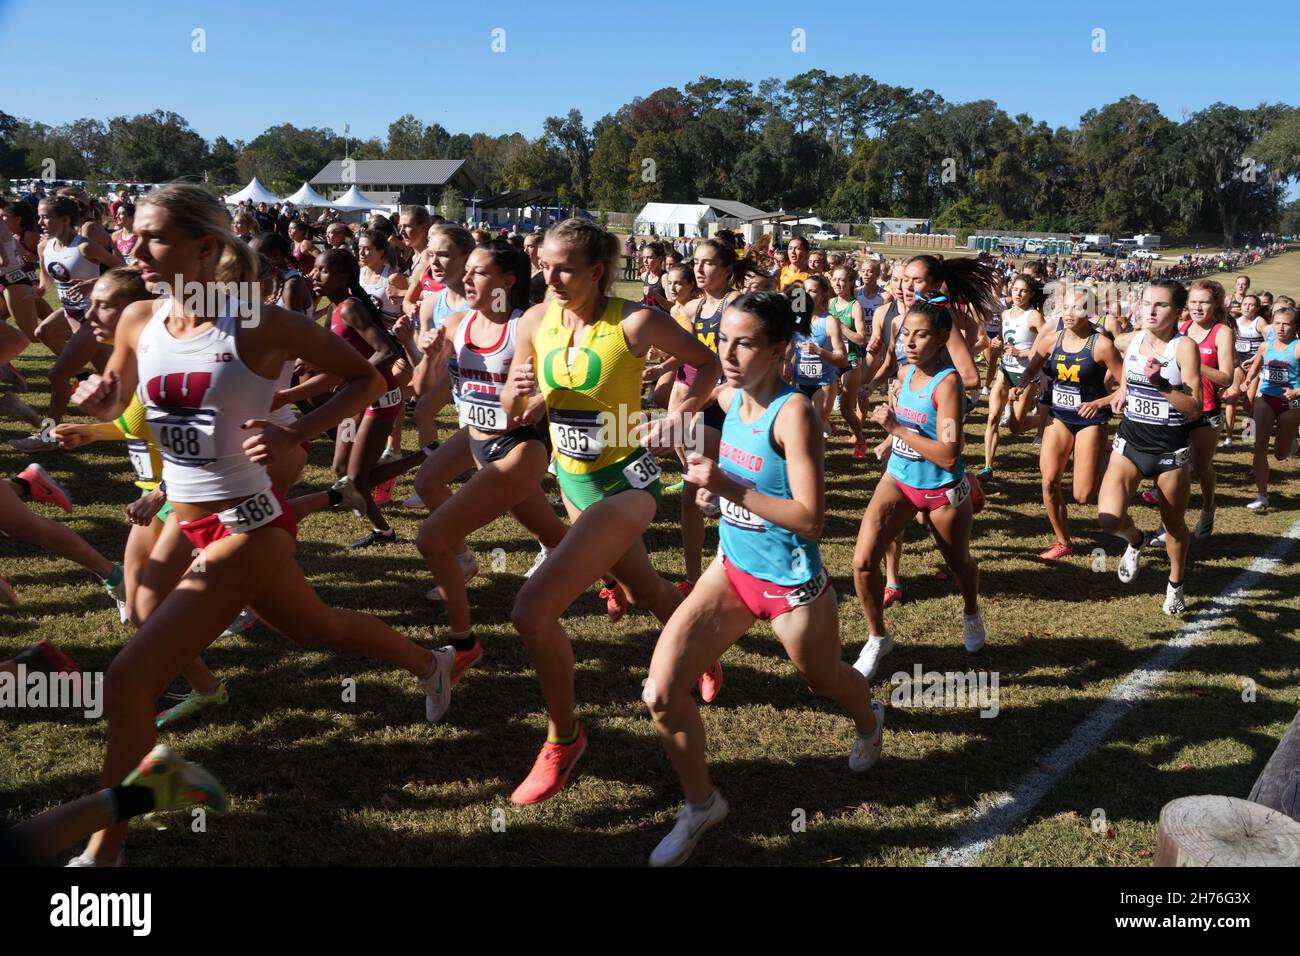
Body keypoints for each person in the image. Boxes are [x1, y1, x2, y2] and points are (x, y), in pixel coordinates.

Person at [65, 182, 454, 867]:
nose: (134, 246)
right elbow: (123, 398)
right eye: (134, 230)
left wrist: (294, 431)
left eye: (154, 235)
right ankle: (431, 663)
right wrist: (99, 399)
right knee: (316, 628)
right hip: (182, 519)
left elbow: (369, 376)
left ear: (206, 246)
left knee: (128, 680)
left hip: (249, 522)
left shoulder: (258, 322)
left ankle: (105, 852)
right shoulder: (137, 320)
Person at [643, 291, 883, 867]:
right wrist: (693, 461)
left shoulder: (794, 412)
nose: (728, 353)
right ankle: (701, 805)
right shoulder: (727, 395)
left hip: (792, 586)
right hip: (731, 570)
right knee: (660, 692)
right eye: (723, 339)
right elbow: (708, 436)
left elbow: (811, 518)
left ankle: (870, 717)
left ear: (779, 350)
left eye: (745, 343)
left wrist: (726, 489)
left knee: (823, 679)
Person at [498, 218, 721, 805]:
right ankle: (702, 646)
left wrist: (681, 414)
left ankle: (563, 739)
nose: (548, 277)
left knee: (531, 610)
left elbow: (708, 364)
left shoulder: (634, 320)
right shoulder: (533, 321)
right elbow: (513, 409)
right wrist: (518, 386)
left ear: (597, 271)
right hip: (573, 481)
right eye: (542, 265)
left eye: (563, 267)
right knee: (646, 589)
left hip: (627, 484)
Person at [852, 299, 986, 681]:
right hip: (898, 478)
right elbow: (913, 429)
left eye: (921, 335)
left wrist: (895, 430)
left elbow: (947, 455)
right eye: (906, 334)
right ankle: (878, 636)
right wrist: (889, 443)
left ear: (943, 337)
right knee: (862, 563)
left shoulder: (949, 384)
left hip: (941, 488)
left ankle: (971, 610)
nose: (909, 342)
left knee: (959, 563)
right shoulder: (906, 371)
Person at [1096, 280, 1201, 615]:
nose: (1151, 311)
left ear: (1177, 311)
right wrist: (1121, 394)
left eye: (1161, 305)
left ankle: (1175, 583)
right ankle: (1136, 540)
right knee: (1109, 520)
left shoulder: (1184, 348)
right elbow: (1126, 380)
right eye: (1146, 303)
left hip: (1170, 452)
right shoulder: (1134, 339)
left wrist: (1162, 385)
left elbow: (1195, 407)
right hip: (1131, 443)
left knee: (1173, 527)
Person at [1014, 289, 1123, 558]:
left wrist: (1100, 403)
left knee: (1083, 495)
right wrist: (1019, 385)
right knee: (1049, 481)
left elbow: (1127, 387)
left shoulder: (1101, 345)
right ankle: (1063, 542)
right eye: (1065, 307)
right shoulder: (1051, 339)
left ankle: (1106, 454)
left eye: (1077, 308)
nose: (1069, 313)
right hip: (1059, 416)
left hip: (1090, 420)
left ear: (1090, 313)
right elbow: (1031, 368)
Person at [1232, 305, 1300, 512]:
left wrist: (1297, 392)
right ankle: (1262, 495)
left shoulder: (1298, 347)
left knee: (1280, 454)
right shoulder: (1265, 345)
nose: (1280, 328)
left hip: (1293, 402)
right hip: (1267, 396)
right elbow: (1258, 364)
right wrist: (1249, 379)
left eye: (1286, 324)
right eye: (1277, 323)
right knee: (1259, 444)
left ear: (1295, 326)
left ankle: (1290, 442)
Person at [981, 274, 1045, 479]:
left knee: (1015, 428)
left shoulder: (1034, 316)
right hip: (1005, 372)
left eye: (1024, 290)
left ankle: (1043, 418)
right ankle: (987, 466)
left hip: (1026, 376)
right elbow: (1003, 339)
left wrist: (1023, 353)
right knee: (992, 418)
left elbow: (1047, 345)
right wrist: (996, 343)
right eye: (1016, 289)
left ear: (1031, 294)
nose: (1018, 294)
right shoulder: (1006, 313)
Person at [1223, 294, 1267, 448]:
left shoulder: (1260, 322)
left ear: (1257, 308)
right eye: (1245, 304)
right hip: (1239, 365)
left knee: (1249, 404)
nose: (1247, 307)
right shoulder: (1236, 322)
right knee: (1231, 398)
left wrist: (1255, 358)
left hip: (1254, 368)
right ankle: (1228, 437)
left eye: (1251, 305)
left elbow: (1268, 344)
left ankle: (1249, 432)